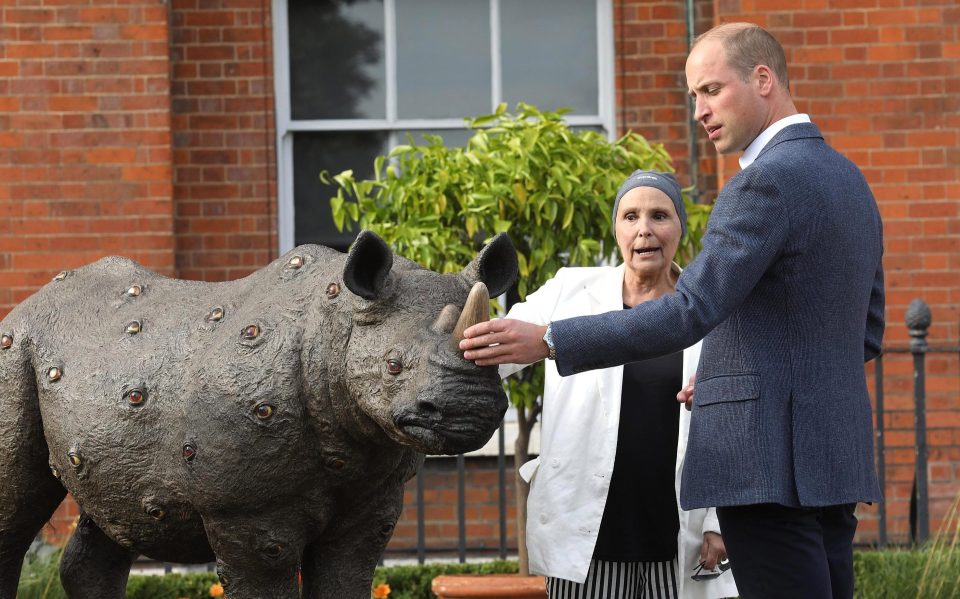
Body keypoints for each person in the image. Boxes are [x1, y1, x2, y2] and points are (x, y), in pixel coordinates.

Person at [460, 22, 884, 599]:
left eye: (712, 90)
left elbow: (690, 309)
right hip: (830, 460)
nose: (700, 112)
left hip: (763, 465)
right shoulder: (850, 180)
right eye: (693, 97)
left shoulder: (764, 183)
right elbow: (866, 331)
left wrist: (551, 340)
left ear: (763, 79)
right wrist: (729, 376)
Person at [499, 170, 737, 599]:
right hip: (588, 538)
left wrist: (718, 522)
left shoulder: (709, 311)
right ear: (616, 229)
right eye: (630, 216)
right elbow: (501, 349)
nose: (644, 229)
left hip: (675, 538)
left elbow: (735, 424)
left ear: (680, 228)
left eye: (659, 215)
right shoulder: (570, 292)